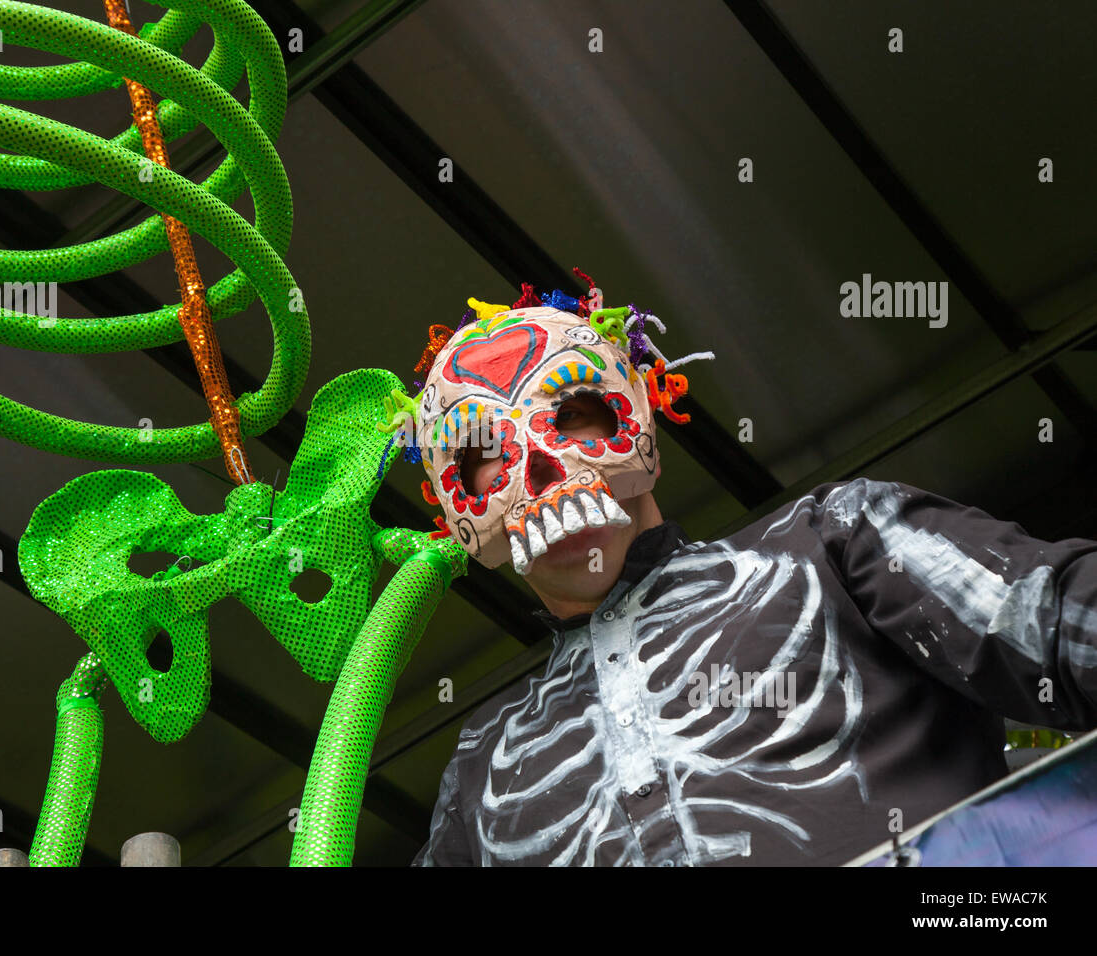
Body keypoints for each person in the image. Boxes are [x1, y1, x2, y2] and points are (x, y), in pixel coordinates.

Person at [394, 282, 1097, 866]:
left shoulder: (833, 540)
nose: (541, 465)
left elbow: (1066, 619)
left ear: (640, 417)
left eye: (573, 413)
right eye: (483, 447)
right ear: (454, 515)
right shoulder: (481, 767)